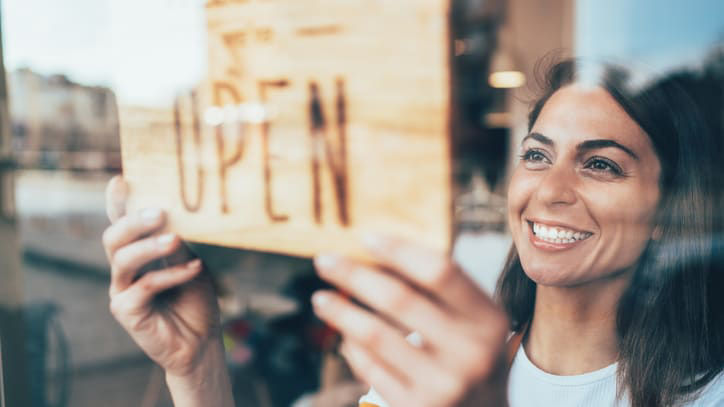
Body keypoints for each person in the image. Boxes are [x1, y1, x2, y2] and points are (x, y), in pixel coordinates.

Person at [102, 59, 724, 406]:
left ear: (670, 206)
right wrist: (198, 365)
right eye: (537, 155)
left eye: (600, 164)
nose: (550, 190)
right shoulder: (428, 365)